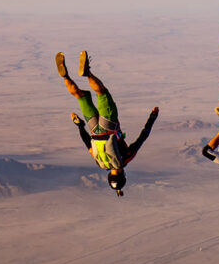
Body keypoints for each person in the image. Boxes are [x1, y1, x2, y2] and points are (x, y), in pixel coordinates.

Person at [56, 51, 159, 196]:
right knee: (80, 96)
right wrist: (79, 125)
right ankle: (65, 77)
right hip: (93, 129)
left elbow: (143, 137)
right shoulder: (100, 162)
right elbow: (88, 144)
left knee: (102, 93)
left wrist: (153, 117)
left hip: (109, 126)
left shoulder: (125, 159)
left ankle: (87, 74)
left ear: (123, 175)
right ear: (109, 176)